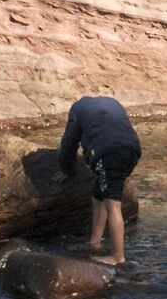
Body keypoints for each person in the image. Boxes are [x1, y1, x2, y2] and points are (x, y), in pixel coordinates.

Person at [56, 95, 142, 266]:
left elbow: (69, 143)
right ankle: (95, 242)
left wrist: (67, 170)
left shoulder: (77, 109)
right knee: (98, 195)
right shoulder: (112, 102)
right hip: (132, 149)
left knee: (113, 203)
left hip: (108, 151)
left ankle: (118, 256)